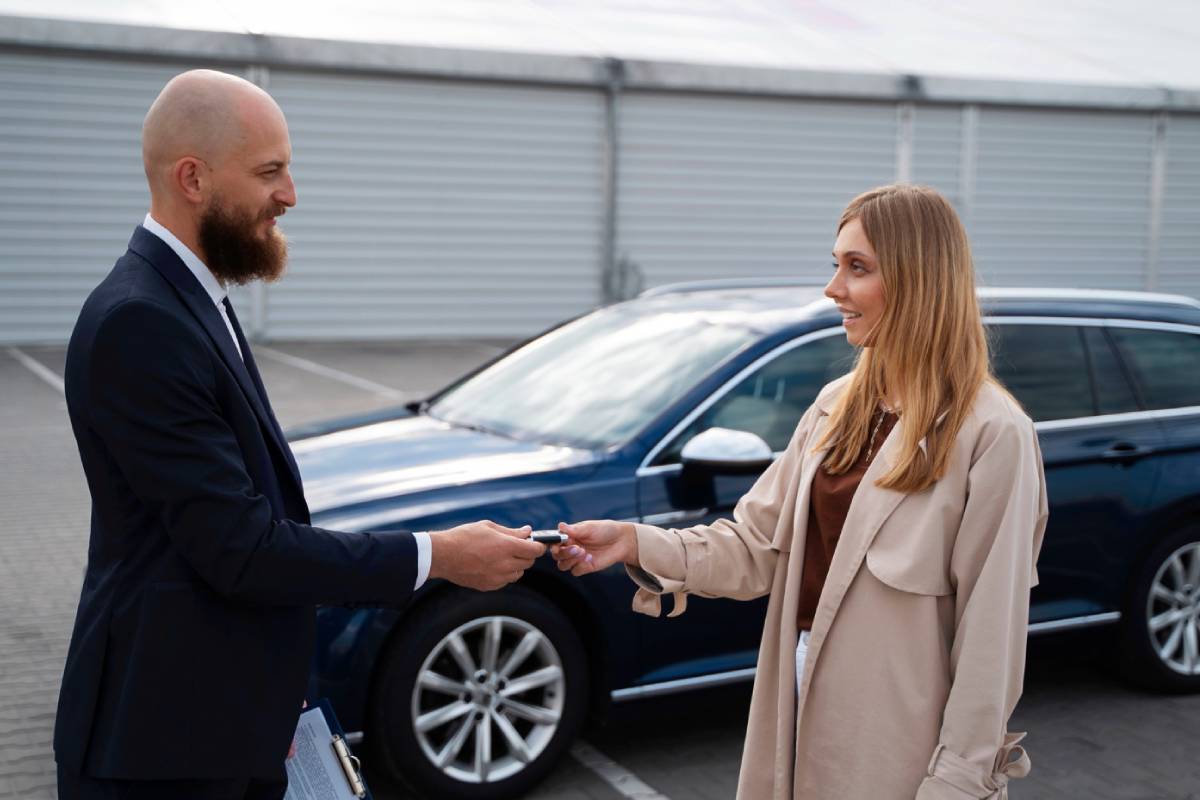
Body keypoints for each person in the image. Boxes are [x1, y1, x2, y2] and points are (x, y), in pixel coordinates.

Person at [55, 69, 546, 800]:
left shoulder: (188, 299)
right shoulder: (141, 323)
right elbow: (243, 550)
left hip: (220, 719)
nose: (290, 194)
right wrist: (440, 556)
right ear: (193, 178)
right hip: (161, 751)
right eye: (270, 171)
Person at [553, 184, 1048, 800]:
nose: (833, 288)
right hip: (793, 710)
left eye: (857, 268)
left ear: (920, 279)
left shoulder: (993, 432)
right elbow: (755, 547)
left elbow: (991, 639)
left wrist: (957, 782)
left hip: (900, 750)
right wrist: (633, 542)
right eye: (836, 264)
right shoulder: (835, 408)